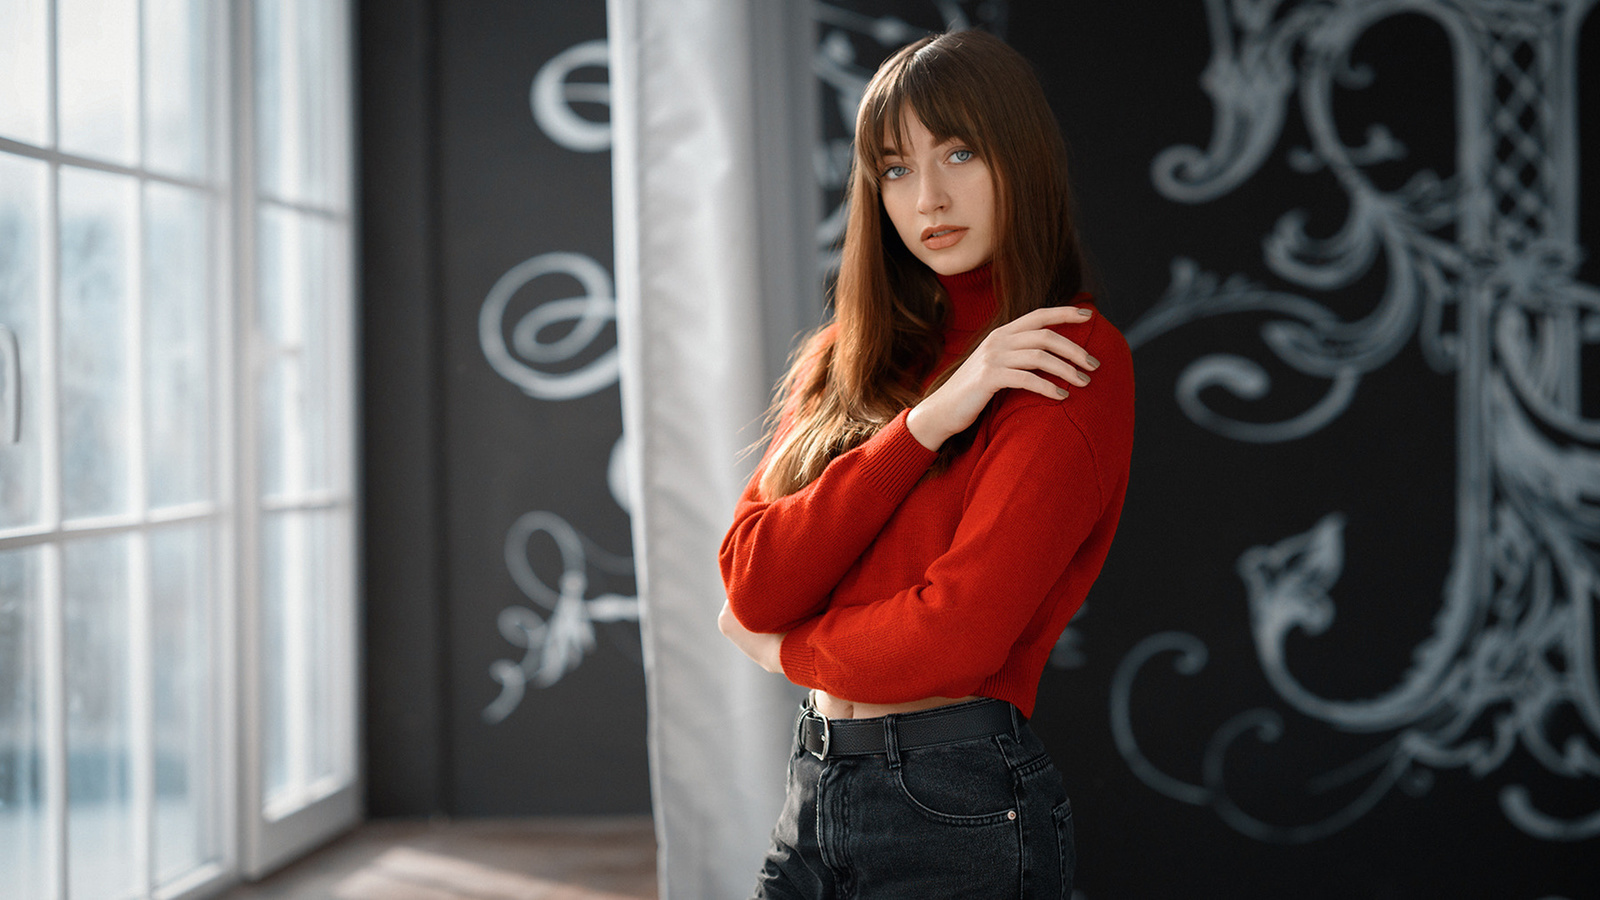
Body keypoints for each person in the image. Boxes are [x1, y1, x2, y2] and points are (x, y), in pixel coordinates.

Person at [717, 28, 1133, 899]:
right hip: (814, 789)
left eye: (960, 152)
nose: (929, 196)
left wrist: (788, 651)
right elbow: (752, 581)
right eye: (896, 167)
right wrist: (927, 423)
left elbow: (955, 634)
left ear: (1020, 160)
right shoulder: (847, 355)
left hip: (957, 806)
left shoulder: (1064, 357)